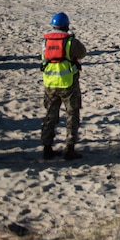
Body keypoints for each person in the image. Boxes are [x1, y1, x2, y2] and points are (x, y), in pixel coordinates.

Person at [41, 12, 87, 160]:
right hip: (68, 84)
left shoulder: (45, 42)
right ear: (66, 26)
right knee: (72, 115)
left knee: (50, 116)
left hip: (50, 84)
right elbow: (82, 53)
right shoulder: (70, 42)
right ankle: (70, 148)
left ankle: (47, 147)